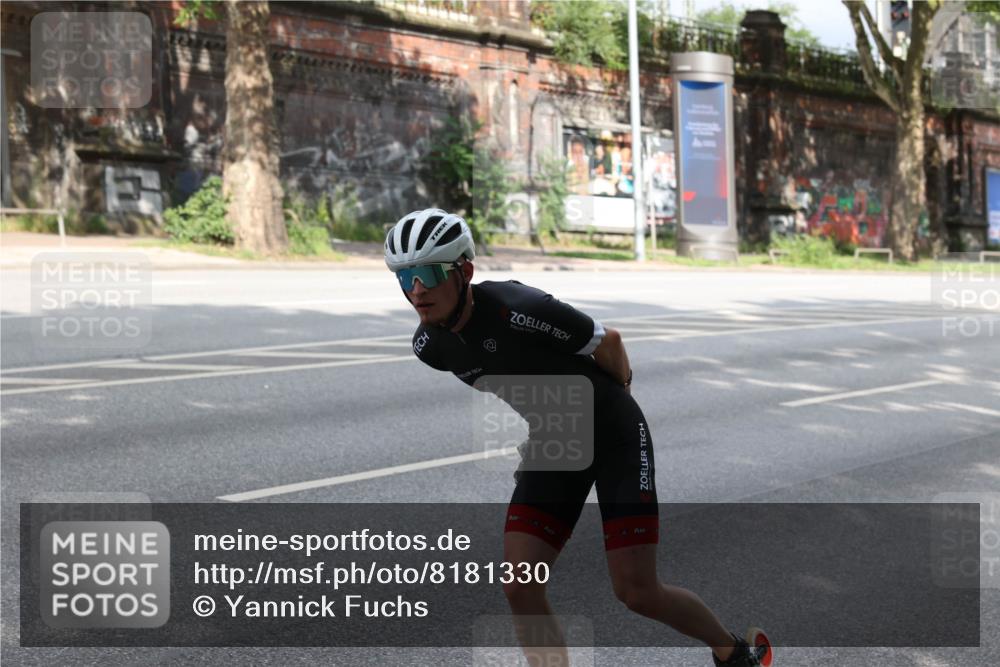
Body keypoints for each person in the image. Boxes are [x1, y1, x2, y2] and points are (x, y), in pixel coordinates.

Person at [384, 208, 772, 667]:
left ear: (464, 270)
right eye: (405, 277)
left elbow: (609, 343)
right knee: (519, 581)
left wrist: (616, 408)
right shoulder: (431, 346)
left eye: (428, 272)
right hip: (557, 440)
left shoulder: (519, 309)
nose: (417, 290)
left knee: (636, 591)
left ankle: (735, 654)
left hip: (614, 433)